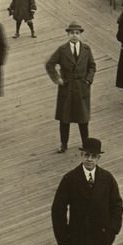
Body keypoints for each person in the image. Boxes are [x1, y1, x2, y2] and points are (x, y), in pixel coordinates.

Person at [46, 22, 97, 151]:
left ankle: (86, 144)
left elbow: (92, 66)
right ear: (68, 34)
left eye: (77, 33)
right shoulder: (62, 50)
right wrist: (57, 79)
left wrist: (88, 80)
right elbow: (49, 64)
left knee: (83, 119)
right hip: (67, 88)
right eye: (72, 33)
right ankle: (64, 144)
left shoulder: (86, 49)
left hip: (82, 88)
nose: (75, 36)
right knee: (65, 118)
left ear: (80, 35)